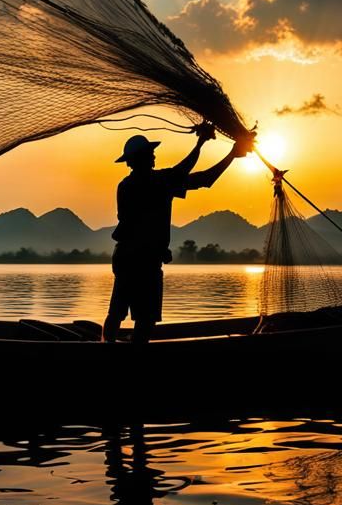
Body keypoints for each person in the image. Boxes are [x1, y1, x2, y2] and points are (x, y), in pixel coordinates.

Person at [102, 122, 255, 343]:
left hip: (127, 258)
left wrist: (226, 153)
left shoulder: (135, 184)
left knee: (118, 313)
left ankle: (107, 347)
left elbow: (203, 179)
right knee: (144, 319)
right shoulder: (153, 183)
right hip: (142, 261)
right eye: (150, 153)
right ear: (140, 159)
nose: (154, 156)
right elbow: (187, 172)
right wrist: (208, 146)